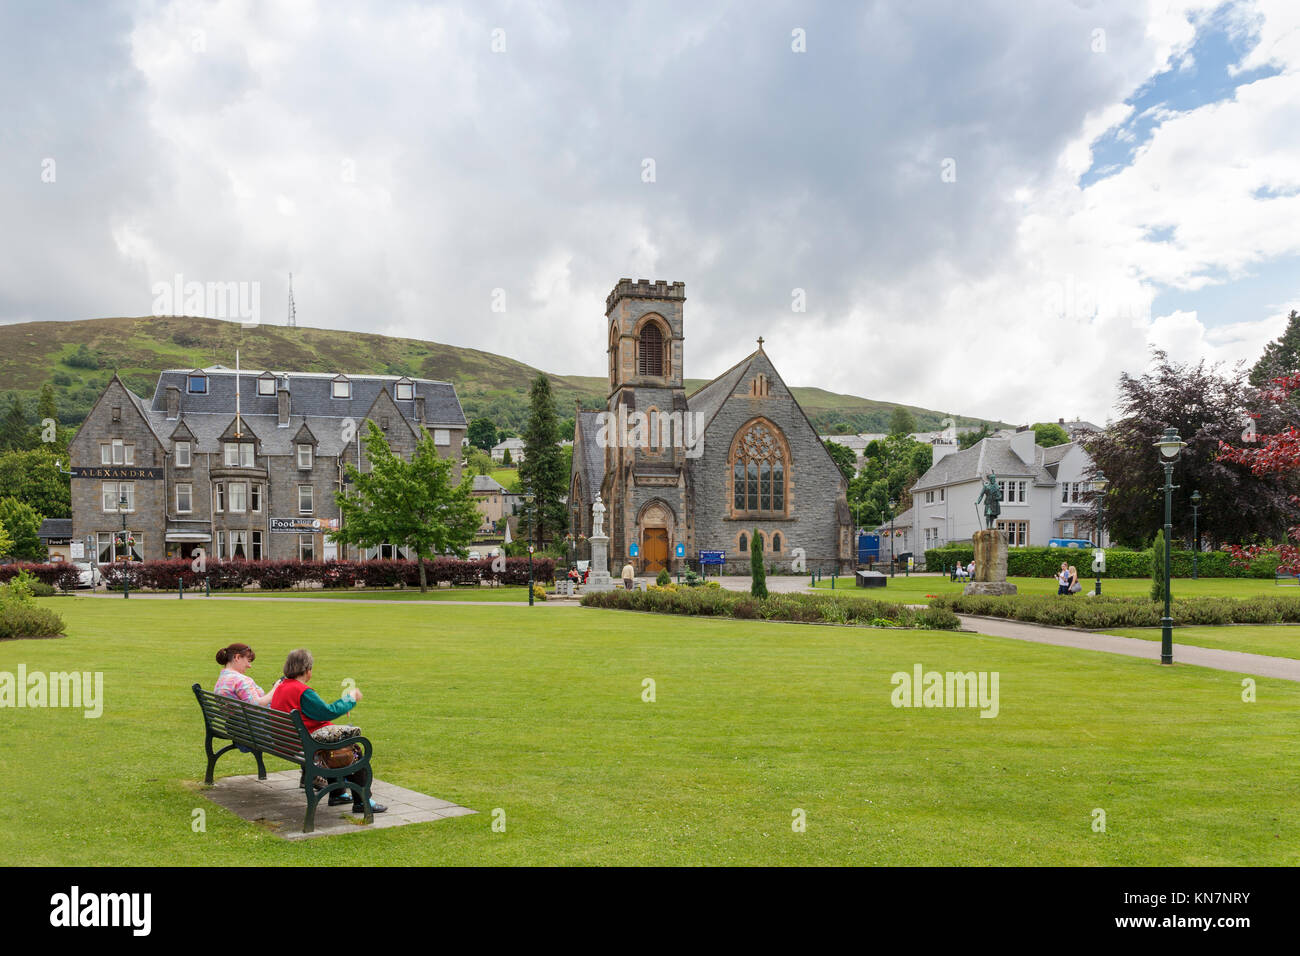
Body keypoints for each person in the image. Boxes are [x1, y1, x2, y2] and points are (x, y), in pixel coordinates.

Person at [270, 648, 387, 815]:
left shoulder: (281, 686)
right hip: (302, 743)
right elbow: (327, 711)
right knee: (353, 749)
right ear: (307, 670)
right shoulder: (302, 691)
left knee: (334, 745)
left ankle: (338, 793)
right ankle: (362, 800)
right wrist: (350, 699)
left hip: (286, 741)